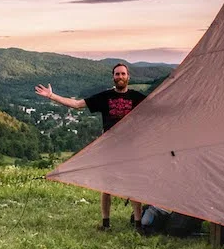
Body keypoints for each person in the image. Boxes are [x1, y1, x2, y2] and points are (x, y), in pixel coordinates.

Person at [35, 62, 147, 231]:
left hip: (131, 148)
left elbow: (158, 105)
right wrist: (52, 96)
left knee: (133, 185)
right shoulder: (105, 97)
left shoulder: (137, 97)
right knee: (106, 186)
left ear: (128, 77)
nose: (120, 77)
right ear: (113, 77)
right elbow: (77, 104)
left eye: (123, 74)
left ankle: (139, 224)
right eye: (117, 74)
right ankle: (106, 223)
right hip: (109, 148)